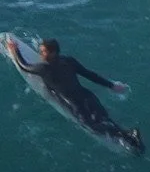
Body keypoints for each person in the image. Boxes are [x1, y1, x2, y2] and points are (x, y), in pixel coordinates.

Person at [6, 36, 142, 152]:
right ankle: (131, 137)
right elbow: (89, 74)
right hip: (87, 96)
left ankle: (127, 136)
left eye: (43, 52)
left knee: (92, 126)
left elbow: (24, 66)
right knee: (105, 119)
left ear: (53, 53)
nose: (41, 54)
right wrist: (111, 85)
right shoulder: (69, 61)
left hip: (73, 103)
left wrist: (15, 51)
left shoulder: (44, 68)